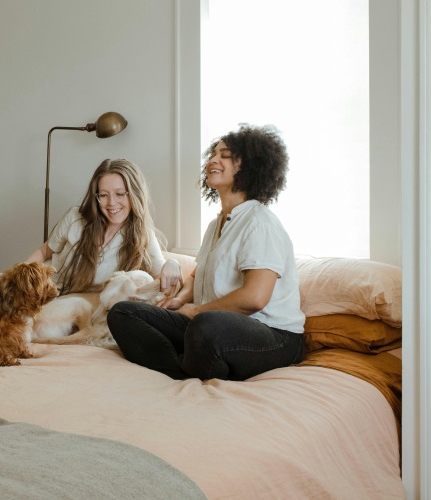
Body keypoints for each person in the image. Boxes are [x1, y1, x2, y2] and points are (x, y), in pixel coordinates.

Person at [107, 124, 305, 381]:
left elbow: (255, 297)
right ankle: (184, 370)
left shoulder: (259, 222)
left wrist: (198, 311)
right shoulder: (217, 224)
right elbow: (197, 273)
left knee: (205, 326)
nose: (213, 159)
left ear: (249, 166)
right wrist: (179, 301)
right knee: (123, 313)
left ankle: (195, 361)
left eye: (225, 155)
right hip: (211, 325)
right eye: (213, 154)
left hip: (274, 336)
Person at [24, 158, 181, 295]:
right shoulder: (75, 218)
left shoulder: (142, 234)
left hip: (83, 304)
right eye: (104, 195)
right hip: (45, 292)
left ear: (134, 194)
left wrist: (173, 263)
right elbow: (45, 251)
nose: (111, 203)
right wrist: (17, 274)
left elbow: (162, 277)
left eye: (120, 194)